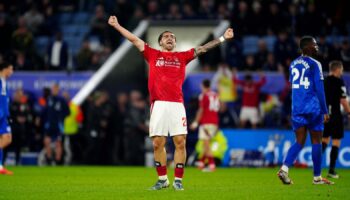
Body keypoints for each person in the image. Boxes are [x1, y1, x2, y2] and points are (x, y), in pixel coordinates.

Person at [108, 15, 234, 190]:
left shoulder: (182, 57)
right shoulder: (152, 54)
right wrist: (117, 25)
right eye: (166, 36)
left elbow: (203, 49)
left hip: (176, 104)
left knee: (180, 141)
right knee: (158, 143)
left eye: (172, 37)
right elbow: (133, 39)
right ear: (160, 42)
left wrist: (222, 38)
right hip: (159, 104)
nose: (170, 38)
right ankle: (162, 179)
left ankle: (178, 180)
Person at [277, 36, 333, 185]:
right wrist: (324, 110)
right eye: (314, 45)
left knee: (299, 141)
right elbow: (319, 89)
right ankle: (317, 178)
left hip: (297, 108)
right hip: (313, 108)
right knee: (316, 141)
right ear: (307, 47)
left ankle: (284, 168)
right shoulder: (315, 64)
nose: (317, 47)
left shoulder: (293, 64)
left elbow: (293, 86)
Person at [322, 60, 350, 178]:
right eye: (342, 69)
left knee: (324, 140)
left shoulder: (323, 81)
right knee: (336, 141)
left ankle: (316, 166)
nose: (342, 72)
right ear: (338, 69)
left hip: (324, 115)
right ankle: (331, 170)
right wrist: (349, 112)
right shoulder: (339, 82)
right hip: (336, 115)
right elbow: (343, 100)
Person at [190, 79, 220, 172]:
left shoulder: (203, 95)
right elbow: (217, 108)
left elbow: (201, 110)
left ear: (203, 86)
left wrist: (195, 122)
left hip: (206, 122)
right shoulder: (215, 95)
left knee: (206, 145)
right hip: (214, 122)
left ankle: (211, 165)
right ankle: (201, 163)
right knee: (205, 143)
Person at [42, 83, 70, 165]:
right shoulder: (49, 99)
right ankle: (49, 159)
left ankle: (58, 161)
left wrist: (60, 119)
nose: (54, 90)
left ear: (58, 90)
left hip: (58, 125)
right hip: (49, 125)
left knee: (58, 143)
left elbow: (68, 112)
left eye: (56, 89)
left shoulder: (61, 100)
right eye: (53, 88)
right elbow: (45, 111)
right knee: (47, 141)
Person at [0, 62, 14, 175]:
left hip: (4, 116)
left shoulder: (5, 82)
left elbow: (5, 102)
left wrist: (8, 115)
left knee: (7, 139)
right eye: (10, 69)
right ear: (4, 69)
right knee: (5, 139)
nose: (12, 72)